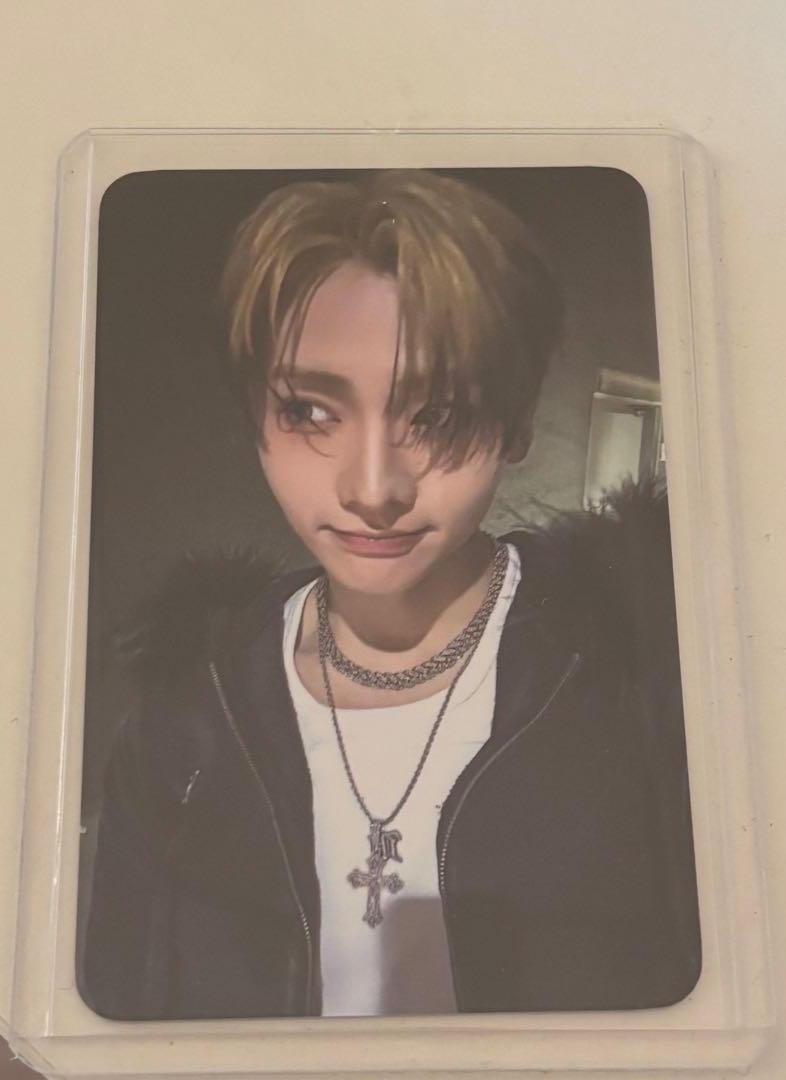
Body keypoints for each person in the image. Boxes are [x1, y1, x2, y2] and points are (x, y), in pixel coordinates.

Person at [78, 170, 701, 1021]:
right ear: (254, 418)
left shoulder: (646, 676)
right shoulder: (185, 714)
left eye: (437, 415)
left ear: (518, 421)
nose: (372, 489)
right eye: (309, 410)